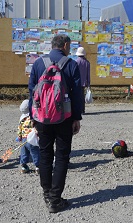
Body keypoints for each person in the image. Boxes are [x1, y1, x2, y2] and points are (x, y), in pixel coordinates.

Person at [28, 34, 83, 213]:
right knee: (61, 156)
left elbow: (31, 92)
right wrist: (77, 118)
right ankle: (55, 199)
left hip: (42, 117)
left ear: (52, 45)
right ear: (65, 45)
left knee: (44, 155)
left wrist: (32, 117)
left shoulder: (38, 63)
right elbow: (76, 95)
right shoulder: (71, 64)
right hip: (64, 117)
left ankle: (46, 193)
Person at [16, 99, 40, 174]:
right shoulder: (33, 119)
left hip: (23, 139)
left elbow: (19, 128)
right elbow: (36, 128)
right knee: (35, 152)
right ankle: (38, 166)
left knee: (24, 153)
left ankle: (24, 166)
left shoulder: (22, 119)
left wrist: (19, 136)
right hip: (31, 140)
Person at [75, 46, 90, 114]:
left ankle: (78, 110)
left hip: (77, 82)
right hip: (84, 82)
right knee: (82, 96)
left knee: (77, 96)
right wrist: (88, 84)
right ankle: (83, 110)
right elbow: (88, 74)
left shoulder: (76, 62)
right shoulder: (87, 62)